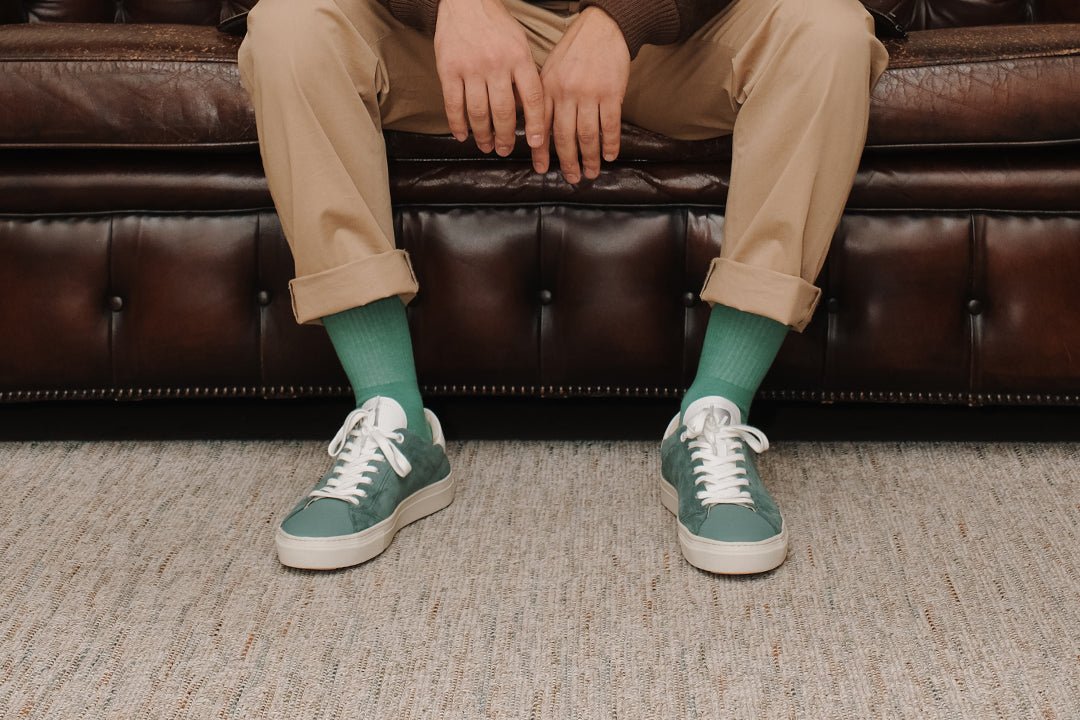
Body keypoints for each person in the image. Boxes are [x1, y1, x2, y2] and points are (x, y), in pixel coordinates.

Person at [238, 0, 889, 575]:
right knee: (291, 28)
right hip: (439, 36)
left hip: (672, 40)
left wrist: (620, 18)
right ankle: (392, 416)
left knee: (827, 33)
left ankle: (715, 411)